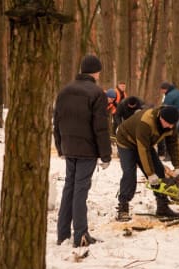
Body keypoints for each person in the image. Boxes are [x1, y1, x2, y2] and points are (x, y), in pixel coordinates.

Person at [53, 55, 112, 248]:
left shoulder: (64, 91)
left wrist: (60, 146)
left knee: (69, 188)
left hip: (69, 147)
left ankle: (62, 234)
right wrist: (106, 155)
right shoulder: (97, 93)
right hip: (87, 149)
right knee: (80, 190)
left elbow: (57, 121)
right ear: (96, 72)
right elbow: (100, 127)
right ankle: (80, 235)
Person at [115, 105, 179, 222]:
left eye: (173, 124)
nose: (171, 127)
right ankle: (123, 207)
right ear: (161, 118)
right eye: (168, 123)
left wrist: (177, 166)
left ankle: (162, 207)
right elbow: (143, 150)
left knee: (159, 170)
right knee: (129, 174)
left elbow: (173, 144)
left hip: (145, 143)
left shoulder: (171, 124)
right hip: (126, 142)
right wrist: (150, 173)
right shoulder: (146, 123)